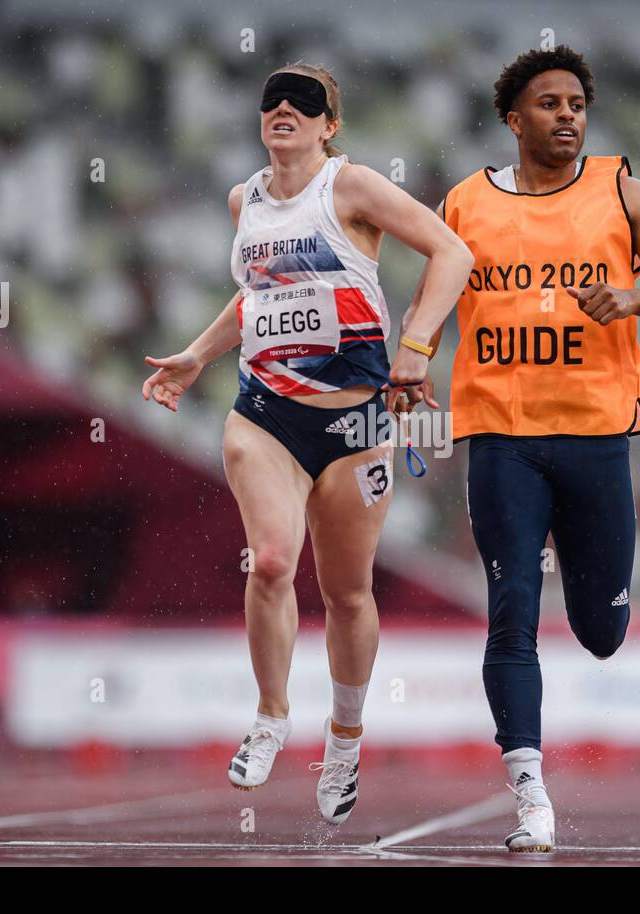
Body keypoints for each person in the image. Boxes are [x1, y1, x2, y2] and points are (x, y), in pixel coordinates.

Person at [388, 46, 640, 851]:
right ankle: (530, 791)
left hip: (599, 435)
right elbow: (431, 296)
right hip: (503, 436)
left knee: (601, 631)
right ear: (513, 118)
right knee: (512, 614)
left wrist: (632, 296)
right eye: (549, 104)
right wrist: (412, 361)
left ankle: (593, 599)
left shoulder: (623, 190)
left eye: (576, 104)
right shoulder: (464, 203)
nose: (567, 115)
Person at [143, 63, 471, 825]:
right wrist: (199, 353)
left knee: (348, 592)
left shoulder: (351, 188)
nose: (285, 107)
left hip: (356, 425)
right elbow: (263, 293)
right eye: (272, 99)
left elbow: (452, 252)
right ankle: (269, 716)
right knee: (274, 562)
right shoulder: (243, 200)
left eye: (307, 102)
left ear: (330, 125)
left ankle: (346, 741)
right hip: (266, 417)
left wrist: (417, 347)